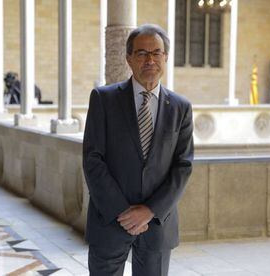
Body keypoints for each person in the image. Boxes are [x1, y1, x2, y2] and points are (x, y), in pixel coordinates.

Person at [83, 24, 194, 276]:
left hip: (156, 224)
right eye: (142, 53)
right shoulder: (103, 99)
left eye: (156, 52)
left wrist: (149, 211)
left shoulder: (181, 107)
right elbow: (93, 159)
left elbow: (183, 166)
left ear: (165, 57)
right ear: (129, 58)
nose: (150, 59)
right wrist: (122, 212)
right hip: (110, 220)